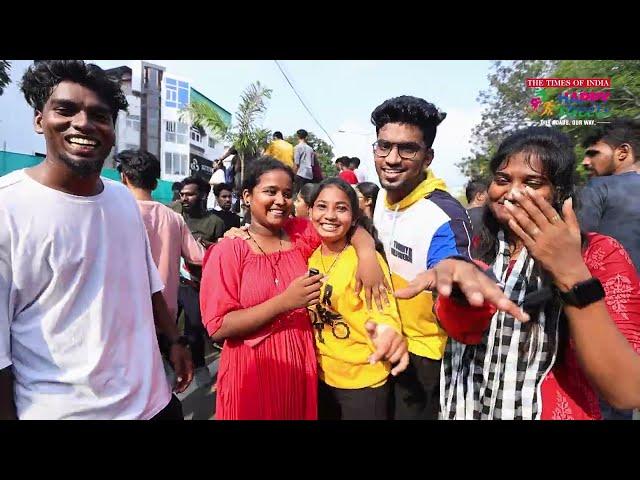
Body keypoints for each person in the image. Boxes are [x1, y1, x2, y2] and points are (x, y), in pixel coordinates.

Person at [397, 126, 640, 419]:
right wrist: (457, 293)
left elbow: (627, 391)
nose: (511, 192)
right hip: (464, 406)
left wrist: (571, 274)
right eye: (502, 179)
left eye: (533, 182)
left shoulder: (598, 254)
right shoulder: (474, 240)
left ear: (560, 192)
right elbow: (461, 332)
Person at [0, 60, 192, 420]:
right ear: (39, 120)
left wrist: (174, 340)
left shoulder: (122, 200)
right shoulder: (6, 210)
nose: (84, 123)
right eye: (66, 110)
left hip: (156, 404)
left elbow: (147, 281)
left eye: (99, 115)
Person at [199, 156, 391, 420]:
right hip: (253, 372)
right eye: (270, 191)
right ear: (246, 195)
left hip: (300, 367)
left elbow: (344, 226)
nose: (280, 200)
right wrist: (284, 302)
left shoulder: (299, 234)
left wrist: (368, 253)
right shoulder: (229, 250)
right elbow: (218, 326)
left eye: (287, 194)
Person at [369, 95, 472, 420]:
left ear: (427, 157)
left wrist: (451, 277)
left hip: (423, 355)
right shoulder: (383, 198)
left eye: (407, 149)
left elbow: (458, 274)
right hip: (380, 336)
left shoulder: (444, 215)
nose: (392, 159)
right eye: (384, 146)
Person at [308, 178, 408, 420]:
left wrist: (387, 332)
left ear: (354, 218)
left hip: (363, 382)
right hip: (322, 377)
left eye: (340, 208)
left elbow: (384, 312)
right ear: (310, 211)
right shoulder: (312, 254)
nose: (330, 215)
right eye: (322, 206)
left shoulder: (366, 263)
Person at [116, 149, 204, 369]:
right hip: (167, 315)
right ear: (155, 184)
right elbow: (197, 257)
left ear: (123, 177)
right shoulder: (174, 218)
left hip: (126, 316)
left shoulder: (113, 213)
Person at [172, 176, 225, 386]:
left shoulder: (215, 222)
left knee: (194, 331)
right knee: (165, 326)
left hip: (197, 285)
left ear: (203, 195)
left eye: (190, 194)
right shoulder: (174, 213)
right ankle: (169, 367)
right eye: (182, 194)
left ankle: (199, 367)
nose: (184, 198)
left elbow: (221, 253)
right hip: (172, 281)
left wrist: (208, 245)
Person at [579, 118, 640, 274]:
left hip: (614, 294)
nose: (585, 162)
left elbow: (578, 247)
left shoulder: (598, 187)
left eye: (593, 154)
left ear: (623, 152)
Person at [293, 129, 315, 194]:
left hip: (300, 173)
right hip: (309, 174)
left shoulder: (297, 147)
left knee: (299, 194)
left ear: (298, 136)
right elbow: (312, 164)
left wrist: (293, 174)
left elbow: (296, 163)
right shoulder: (311, 149)